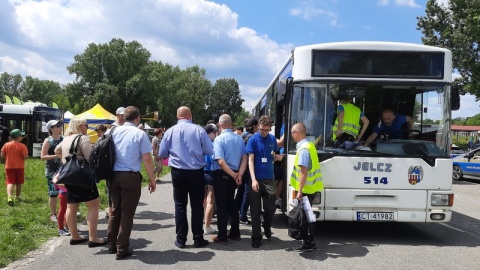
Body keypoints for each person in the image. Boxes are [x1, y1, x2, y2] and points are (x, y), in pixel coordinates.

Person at [107, 106, 157, 260]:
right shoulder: (139, 134)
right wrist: (152, 179)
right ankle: (122, 248)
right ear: (137, 118)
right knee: (127, 213)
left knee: (115, 210)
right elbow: (147, 158)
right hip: (130, 176)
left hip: (112, 176)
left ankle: (112, 245)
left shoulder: (112, 131)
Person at [159, 106, 212, 249]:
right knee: (197, 206)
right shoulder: (199, 130)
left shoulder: (169, 131)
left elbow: (162, 153)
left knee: (180, 206)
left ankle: (181, 239)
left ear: (178, 117)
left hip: (178, 172)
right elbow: (208, 150)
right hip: (196, 172)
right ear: (190, 115)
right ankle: (198, 238)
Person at [54, 117, 106, 247]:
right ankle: (93, 238)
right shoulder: (82, 138)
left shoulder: (65, 139)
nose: (87, 127)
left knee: (72, 206)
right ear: (79, 126)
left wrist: (67, 160)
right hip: (83, 176)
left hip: (69, 176)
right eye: (86, 125)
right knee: (94, 205)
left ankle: (75, 236)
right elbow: (90, 157)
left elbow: (57, 151)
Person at [211, 114, 247, 244]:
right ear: (231, 124)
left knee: (221, 205)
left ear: (219, 125)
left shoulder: (219, 139)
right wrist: (239, 174)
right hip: (235, 174)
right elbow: (244, 158)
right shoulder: (239, 139)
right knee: (231, 203)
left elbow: (220, 161)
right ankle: (235, 232)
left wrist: (232, 174)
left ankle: (222, 235)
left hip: (222, 174)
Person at [246, 115, 279, 248]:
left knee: (270, 208)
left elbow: (273, 154)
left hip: (269, 178)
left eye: (266, 130)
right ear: (258, 127)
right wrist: (253, 179)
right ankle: (256, 236)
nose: (264, 132)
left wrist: (276, 157)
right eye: (261, 129)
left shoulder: (272, 139)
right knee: (255, 209)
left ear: (270, 129)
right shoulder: (252, 140)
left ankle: (266, 226)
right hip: (256, 178)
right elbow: (250, 160)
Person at [289, 122, 323, 251]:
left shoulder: (303, 149)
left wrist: (300, 191)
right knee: (309, 216)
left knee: (305, 217)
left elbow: (303, 172)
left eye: (292, 133)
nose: (291, 136)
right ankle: (310, 240)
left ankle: (308, 242)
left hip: (305, 190)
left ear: (297, 133)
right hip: (311, 188)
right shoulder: (310, 145)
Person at [236, 118, 258, 225]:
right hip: (248, 167)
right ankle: (242, 215)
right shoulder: (253, 138)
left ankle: (235, 212)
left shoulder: (242, 136)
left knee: (241, 191)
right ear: (254, 126)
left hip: (241, 166)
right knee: (247, 192)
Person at [40, 120, 64, 222]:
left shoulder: (64, 139)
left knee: (65, 191)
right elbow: (42, 156)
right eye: (57, 125)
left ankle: (67, 211)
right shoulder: (48, 140)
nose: (60, 127)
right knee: (53, 193)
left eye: (60, 125)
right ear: (51, 128)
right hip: (51, 171)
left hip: (63, 170)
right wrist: (56, 156)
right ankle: (53, 214)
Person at [2, 129, 28, 206]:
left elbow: (2, 155)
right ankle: (17, 197)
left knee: (10, 182)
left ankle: (9, 197)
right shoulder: (23, 146)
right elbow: (25, 156)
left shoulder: (6, 145)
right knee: (18, 183)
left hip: (9, 166)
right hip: (19, 167)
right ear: (19, 137)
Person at [203, 124, 218, 235]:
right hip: (211, 173)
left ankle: (204, 220)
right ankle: (207, 226)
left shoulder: (200, 144)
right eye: (215, 132)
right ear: (210, 133)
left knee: (203, 200)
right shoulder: (213, 145)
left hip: (200, 173)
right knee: (210, 201)